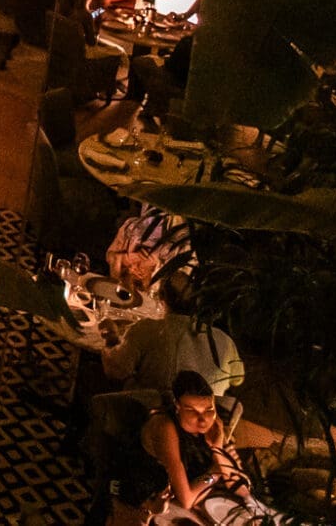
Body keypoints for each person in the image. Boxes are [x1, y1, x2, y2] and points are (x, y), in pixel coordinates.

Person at [140, 371, 283, 523]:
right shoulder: (165, 427)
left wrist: (217, 449)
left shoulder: (213, 424)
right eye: (191, 410)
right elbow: (186, 499)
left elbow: (235, 480)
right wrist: (215, 472)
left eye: (209, 409)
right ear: (177, 406)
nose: (203, 419)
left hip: (202, 492)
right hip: (161, 497)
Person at [104, 275, 244, 398]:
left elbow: (115, 370)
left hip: (151, 416)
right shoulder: (224, 340)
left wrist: (110, 337)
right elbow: (238, 378)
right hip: (202, 420)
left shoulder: (146, 329)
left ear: (162, 298)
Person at [107, 204, 193, 291]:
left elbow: (130, 227)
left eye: (126, 270)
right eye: (138, 276)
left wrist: (126, 258)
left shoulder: (128, 245)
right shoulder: (165, 264)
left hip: (158, 209)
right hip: (174, 214)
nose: (132, 268)